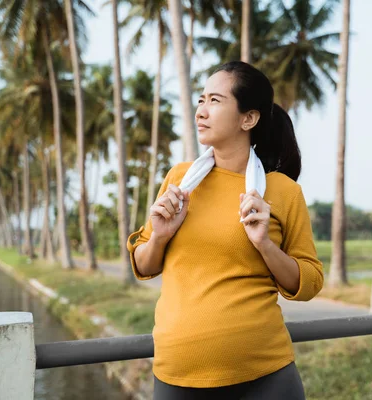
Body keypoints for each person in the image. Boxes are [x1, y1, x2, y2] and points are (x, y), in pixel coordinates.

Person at [127, 61, 324, 400]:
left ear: (248, 118)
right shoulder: (180, 180)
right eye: (201, 100)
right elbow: (144, 266)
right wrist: (159, 234)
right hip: (177, 376)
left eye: (215, 101)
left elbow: (309, 282)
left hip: (265, 377)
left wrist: (264, 244)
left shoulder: (282, 192)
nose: (201, 111)